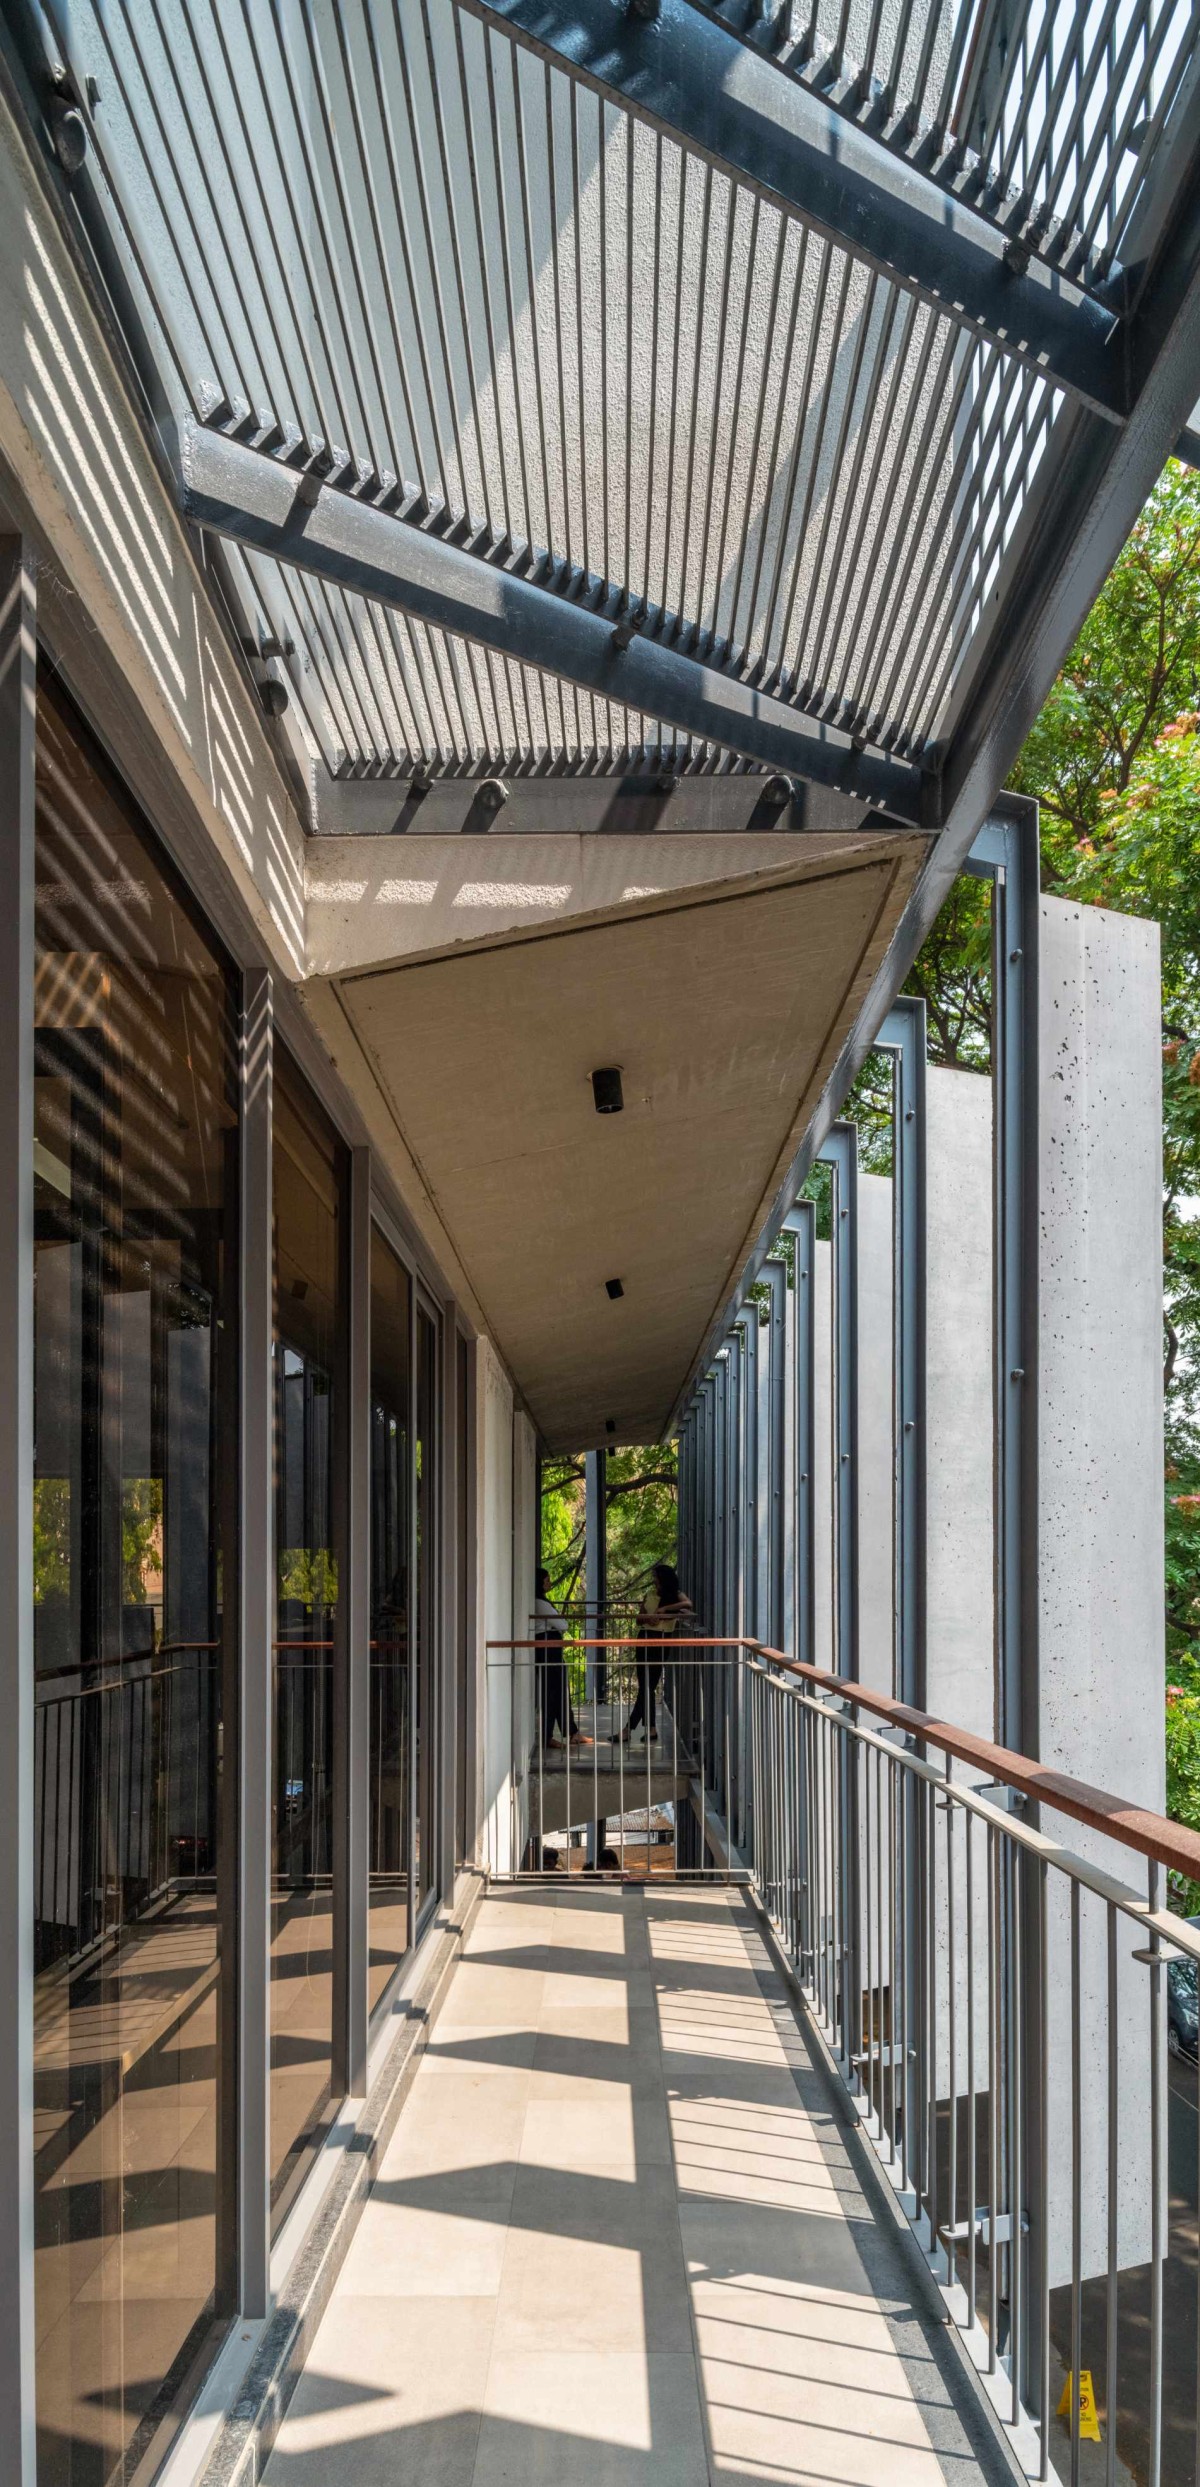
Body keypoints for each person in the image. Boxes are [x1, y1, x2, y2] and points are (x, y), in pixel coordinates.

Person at [622, 1561, 694, 1744]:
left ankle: (628, 1729)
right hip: (645, 1636)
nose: (654, 1580)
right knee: (646, 1685)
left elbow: (688, 1604)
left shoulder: (675, 1595)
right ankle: (651, 1729)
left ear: (663, 1578)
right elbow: (638, 1619)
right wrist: (647, 1617)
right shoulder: (650, 1594)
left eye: (655, 1576)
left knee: (648, 1686)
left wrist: (664, 1611)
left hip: (662, 1639)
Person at [535, 1568, 590, 1748]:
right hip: (547, 1650)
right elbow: (563, 1624)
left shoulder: (541, 1602)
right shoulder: (540, 1603)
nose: (549, 1583)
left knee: (559, 1692)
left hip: (550, 1649)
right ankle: (548, 1736)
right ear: (540, 1583)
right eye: (546, 1580)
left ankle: (572, 1732)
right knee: (553, 1694)